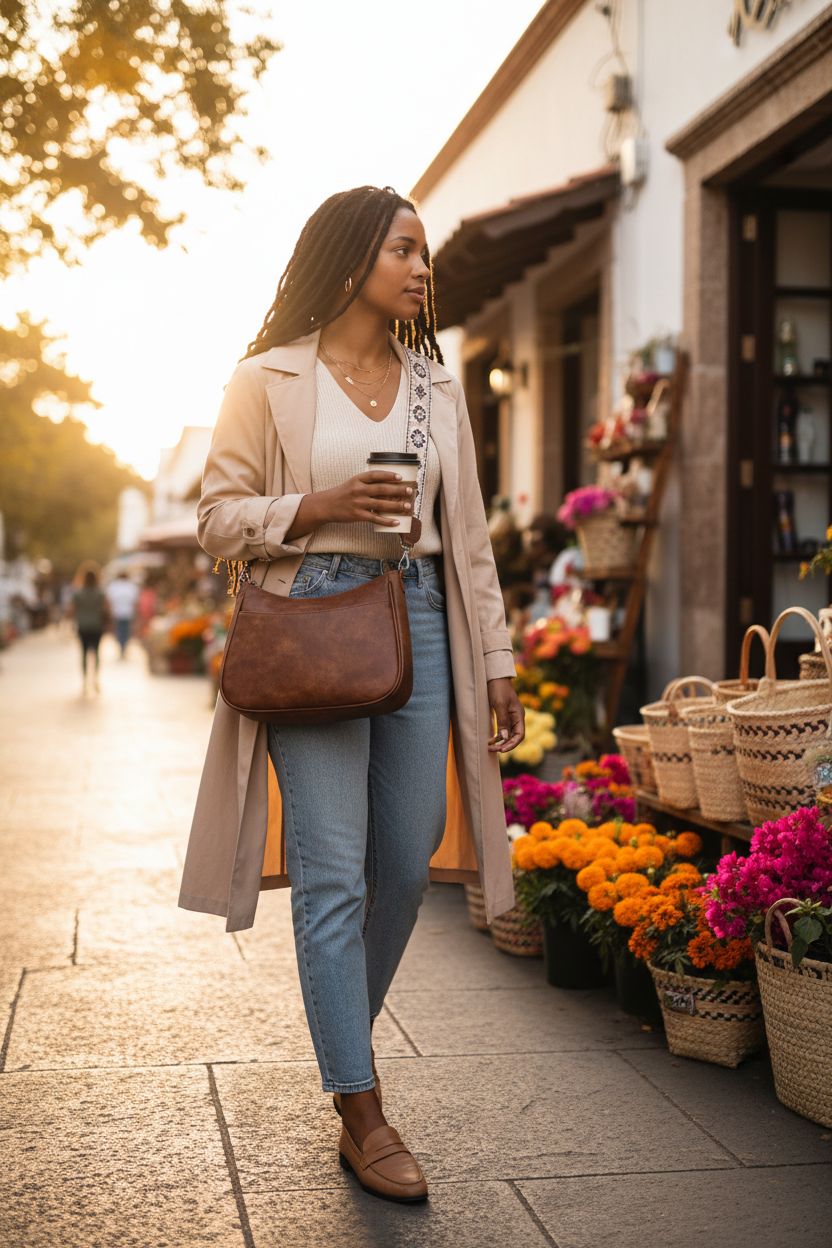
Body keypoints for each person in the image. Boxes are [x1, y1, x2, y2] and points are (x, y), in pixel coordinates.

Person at [177, 185, 525, 1203]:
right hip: (309, 615)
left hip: (417, 614)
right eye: (403, 251)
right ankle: (362, 1112)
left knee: (409, 860)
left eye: (423, 253)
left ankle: (340, 1045)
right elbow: (215, 517)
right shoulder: (266, 377)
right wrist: (316, 506)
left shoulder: (435, 387)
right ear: (348, 260)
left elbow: (466, 540)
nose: (422, 269)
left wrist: (496, 658)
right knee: (330, 876)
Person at [71, 568, 110, 692]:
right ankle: (95, 679)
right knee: (97, 653)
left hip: (83, 626)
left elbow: (71, 610)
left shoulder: (78, 593)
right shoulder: (100, 593)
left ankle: (85, 680)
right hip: (96, 626)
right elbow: (107, 609)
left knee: (83, 653)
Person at [105, 572, 139, 658]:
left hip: (117, 613)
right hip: (127, 613)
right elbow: (135, 602)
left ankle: (122, 647)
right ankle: (123, 647)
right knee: (125, 632)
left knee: (119, 631)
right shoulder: (131, 586)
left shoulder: (113, 586)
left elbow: (108, 601)